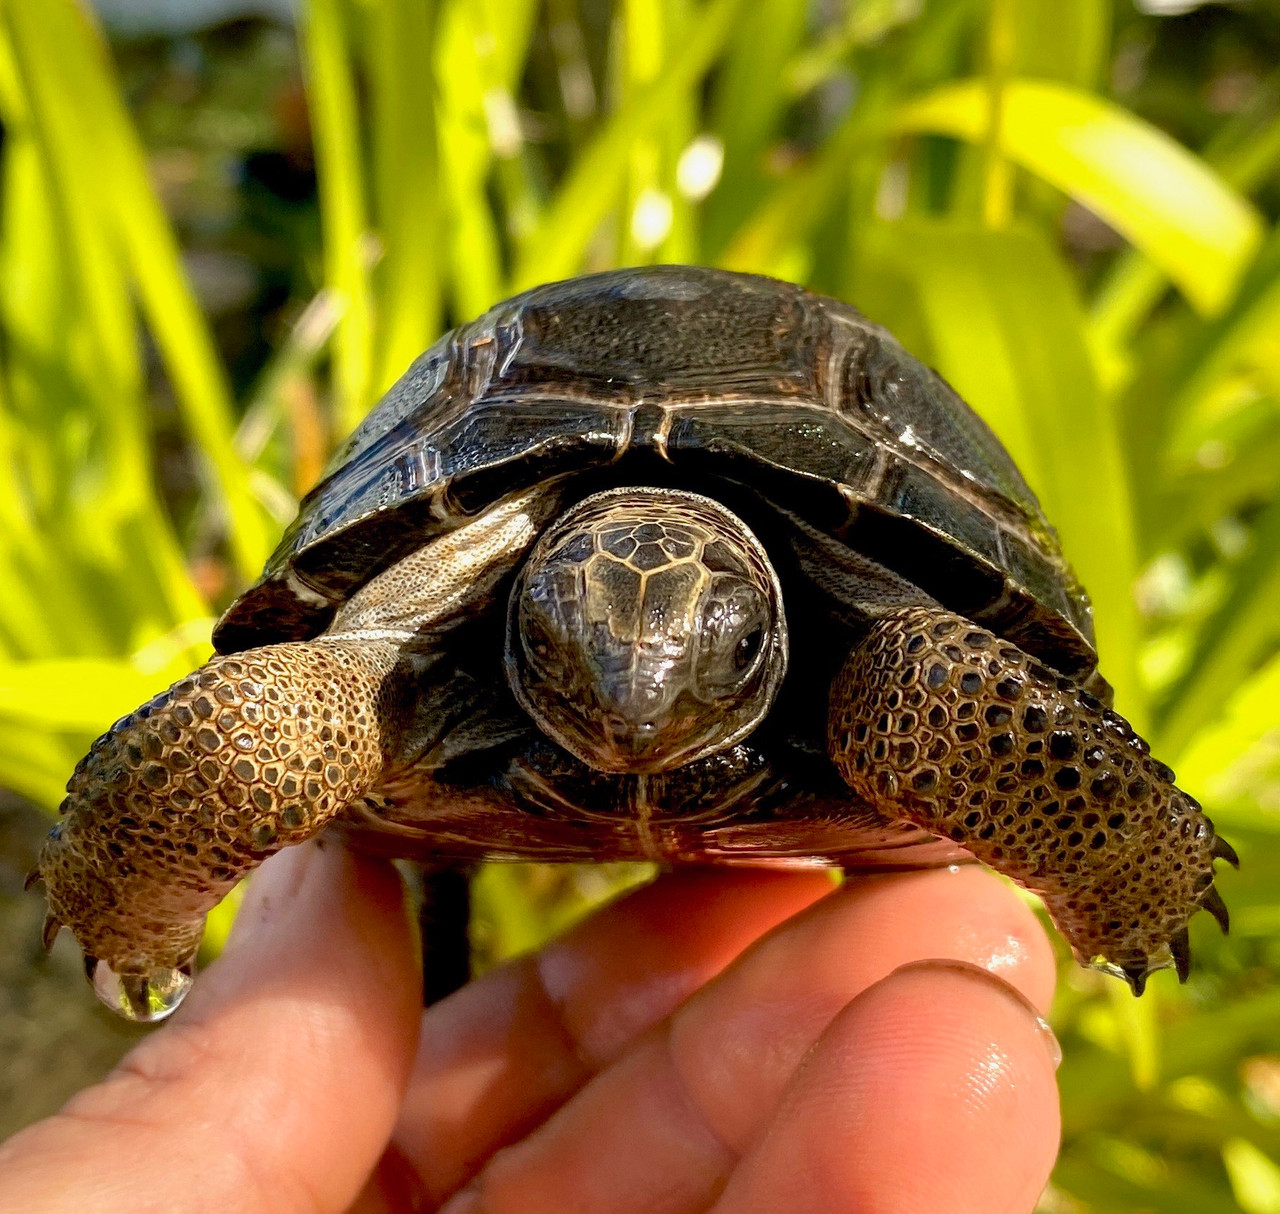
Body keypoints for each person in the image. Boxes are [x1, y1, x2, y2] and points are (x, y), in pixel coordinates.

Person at [0, 841, 1061, 1212]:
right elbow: (272, 698)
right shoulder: (402, 659)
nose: (635, 704)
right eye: (573, 654)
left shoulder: (905, 669)